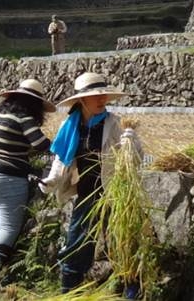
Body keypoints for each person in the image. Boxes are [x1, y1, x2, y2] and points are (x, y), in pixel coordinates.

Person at [41, 72, 141, 293]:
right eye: (96, 96)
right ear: (81, 100)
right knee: (77, 245)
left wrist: (131, 143)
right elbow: (61, 157)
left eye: (103, 95)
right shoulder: (70, 125)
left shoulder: (115, 123)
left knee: (122, 244)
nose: (101, 99)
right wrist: (52, 180)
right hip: (87, 194)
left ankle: (131, 294)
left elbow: (136, 160)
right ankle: (69, 293)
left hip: (115, 193)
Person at [0, 79, 55, 284]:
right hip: (9, 178)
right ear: (35, 103)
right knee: (8, 228)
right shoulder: (24, 118)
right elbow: (41, 145)